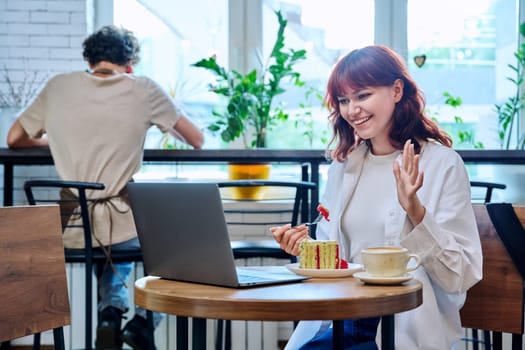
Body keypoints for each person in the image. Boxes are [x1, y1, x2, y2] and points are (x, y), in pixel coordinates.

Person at [271, 45, 482, 349]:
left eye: (362, 95)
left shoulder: (443, 164)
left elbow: (459, 276)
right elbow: (340, 261)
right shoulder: (344, 167)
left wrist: (415, 211)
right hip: (345, 320)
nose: (351, 109)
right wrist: (304, 247)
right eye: (344, 100)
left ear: (397, 90)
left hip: (400, 326)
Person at [7, 25, 204, 350]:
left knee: (115, 234)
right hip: (121, 223)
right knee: (164, 238)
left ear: (89, 58)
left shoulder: (58, 86)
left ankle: (111, 312)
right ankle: (144, 320)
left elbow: (13, 138)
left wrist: (51, 141)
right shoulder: (143, 89)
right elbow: (196, 139)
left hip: (69, 227)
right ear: (129, 62)